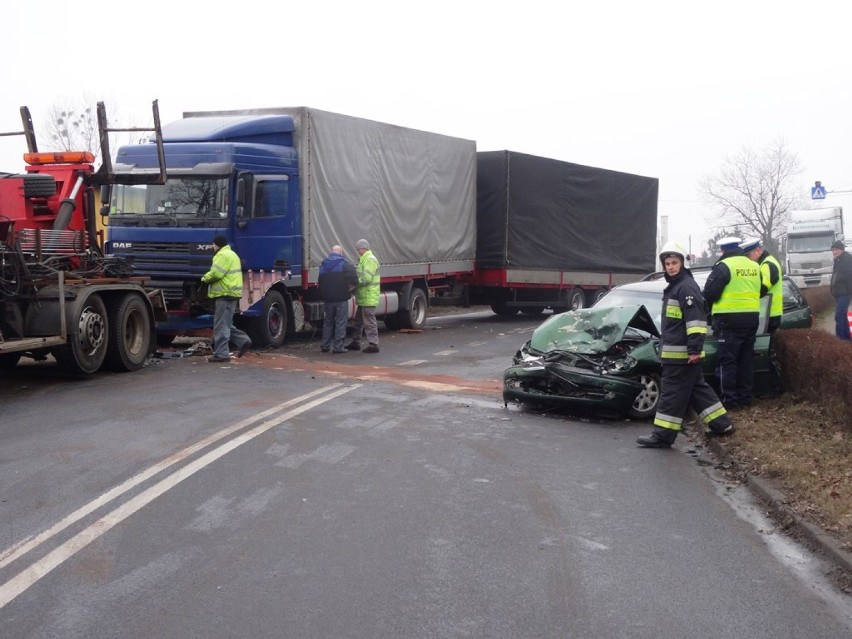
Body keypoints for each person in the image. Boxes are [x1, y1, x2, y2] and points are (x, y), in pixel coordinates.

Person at [637, 242, 734, 448]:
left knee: (671, 394)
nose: (670, 266)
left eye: (674, 262)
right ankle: (722, 424)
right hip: (679, 354)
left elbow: (696, 322)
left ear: (682, 263)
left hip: (680, 356)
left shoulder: (686, 287)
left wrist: (694, 350)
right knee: (698, 390)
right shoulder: (676, 286)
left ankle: (662, 436)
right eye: (667, 263)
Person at [702, 236, 761, 409]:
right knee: (745, 360)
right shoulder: (754, 266)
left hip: (729, 320)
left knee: (727, 361)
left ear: (723, 250)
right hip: (751, 318)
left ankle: (730, 401)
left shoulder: (724, 266)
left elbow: (710, 293)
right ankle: (745, 398)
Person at [740, 237, 784, 393]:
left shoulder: (767, 265)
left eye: (749, 255)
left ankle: (774, 388)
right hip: (769, 314)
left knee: (766, 354)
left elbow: (761, 290)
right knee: (767, 352)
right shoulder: (767, 263)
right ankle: (772, 388)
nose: (748, 259)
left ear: (758, 251)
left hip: (768, 316)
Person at [201, 235, 252, 363]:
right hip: (232, 293)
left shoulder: (221, 255)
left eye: (213, 245)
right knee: (227, 323)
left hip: (224, 293)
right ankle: (243, 340)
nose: (212, 247)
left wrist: (204, 278)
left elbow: (216, 273)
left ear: (217, 244)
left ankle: (221, 354)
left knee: (220, 325)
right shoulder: (232, 254)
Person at [318, 244, 359, 353]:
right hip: (341, 299)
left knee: (328, 322)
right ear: (341, 253)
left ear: (331, 252)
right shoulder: (344, 265)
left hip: (328, 299)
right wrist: (351, 288)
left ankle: (325, 345)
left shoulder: (323, 265)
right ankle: (338, 347)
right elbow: (355, 278)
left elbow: (320, 282)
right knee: (340, 322)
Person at [345, 238, 381, 353]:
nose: (357, 251)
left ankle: (373, 344)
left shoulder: (369, 260)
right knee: (359, 321)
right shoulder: (363, 259)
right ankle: (356, 342)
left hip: (368, 296)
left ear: (362, 248)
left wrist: (354, 284)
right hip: (364, 296)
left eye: (358, 249)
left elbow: (366, 278)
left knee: (369, 321)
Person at [830, 239, 852, 341]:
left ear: (842, 250)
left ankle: (840, 340)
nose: (834, 252)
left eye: (836, 249)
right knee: (842, 316)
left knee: (838, 316)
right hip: (838, 293)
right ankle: (847, 339)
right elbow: (835, 276)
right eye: (833, 250)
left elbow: (847, 275)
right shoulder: (837, 260)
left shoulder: (848, 259)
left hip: (845, 292)